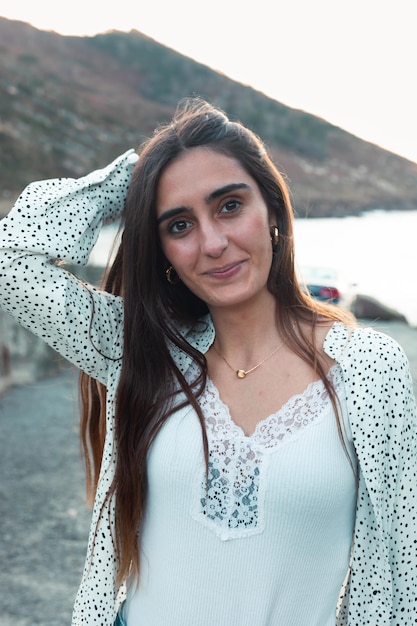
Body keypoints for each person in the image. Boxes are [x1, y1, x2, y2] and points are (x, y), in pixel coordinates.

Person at [0, 97, 416, 626]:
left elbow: (400, 574)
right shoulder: (140, 348)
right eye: (178, 226)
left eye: (229, 206)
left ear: (271, 210)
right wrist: (133, 178)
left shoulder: (368, 368)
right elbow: (10, 259)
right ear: (162, 251)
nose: (213, 243)